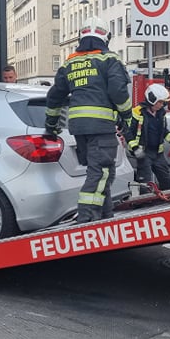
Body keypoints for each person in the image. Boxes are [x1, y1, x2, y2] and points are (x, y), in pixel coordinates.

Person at [45, 17, 133, 223]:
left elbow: (55, 96)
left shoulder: (70, 62)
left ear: (80, 37)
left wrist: (51, 125)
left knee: (98, 172)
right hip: (101, 126)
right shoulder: (109, 59)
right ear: (106, 37)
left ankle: (105, 217)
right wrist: (127, 116)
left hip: (78, 127)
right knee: (101, 173)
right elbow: (118, 92)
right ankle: (86, 220)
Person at [125, 84, 170, 192]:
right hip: (143, 152)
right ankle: (144, 203)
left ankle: (168, 199)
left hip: (158, 153)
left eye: (163, 102)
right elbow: (128, 133)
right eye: (160, 102)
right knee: (145, 182)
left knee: (166, 179)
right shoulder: (137, 112)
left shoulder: (161, 113)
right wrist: (135, 148)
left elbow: (163, 131)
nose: (161, 105)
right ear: (151, 99)